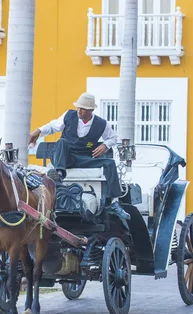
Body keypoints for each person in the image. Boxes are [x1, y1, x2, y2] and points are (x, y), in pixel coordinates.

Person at [27, 92, 131, 221]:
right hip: (64, 158)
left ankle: (114, 202)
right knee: (61, 142)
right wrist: (38, 131)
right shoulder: (69, 115)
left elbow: (113, 137)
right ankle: (59, 176)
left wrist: (105, 145)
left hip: (83, 158)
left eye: (82, 109)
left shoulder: (101, 124)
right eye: (78, 107)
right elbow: (53, 126)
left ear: (90, 110)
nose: (79, 111)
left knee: (109, 163)